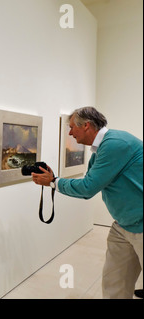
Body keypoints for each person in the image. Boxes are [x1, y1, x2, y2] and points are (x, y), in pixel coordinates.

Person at [31, 106, 143, 299]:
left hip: (140, 224)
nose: (70, 132)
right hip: (123, 224)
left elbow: (88, 188)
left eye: (72, 127)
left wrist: (53, 182)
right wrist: (54, 179)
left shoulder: (115, 144)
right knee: (114, 282)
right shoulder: (100, 150)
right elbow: (88, 182)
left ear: (87, 126)